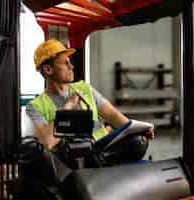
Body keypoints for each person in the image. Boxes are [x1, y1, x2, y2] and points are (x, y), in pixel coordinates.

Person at [26, 39, 154, 156]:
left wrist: (139, 129)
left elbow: (115, 117)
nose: (71, 67)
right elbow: (46, 142)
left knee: (138, 141)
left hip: (105, 152)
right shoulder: (35, 106)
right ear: (48, 69)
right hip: (75, 161)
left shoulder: (85, 89)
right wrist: (68, 107)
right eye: (65, 63)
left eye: (70, 62)